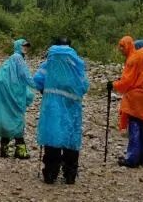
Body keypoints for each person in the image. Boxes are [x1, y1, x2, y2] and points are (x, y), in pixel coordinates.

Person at [33, 37, 89, 185]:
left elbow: (37, 79)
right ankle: (70, 174)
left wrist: (46, 91)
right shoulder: (76, 62)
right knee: (71, 137)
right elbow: (84, 86)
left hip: (52, 105)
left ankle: (50, 173)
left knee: (52, 136)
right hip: (72, 105)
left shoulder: (50, 61)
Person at [109, 36, 143, 168]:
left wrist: (114, 85)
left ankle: (132, 158)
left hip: (137, 96)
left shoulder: (134, 59)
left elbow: (127, 81)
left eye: (122, 47)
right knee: (142, 123)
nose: (121, 50)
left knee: (134, 124)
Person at [0, 38, 36, 159]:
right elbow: (25, 76)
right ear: (18, 46)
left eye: (27, 46)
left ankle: (4, 150)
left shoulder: (12, 58)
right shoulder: (18, 58)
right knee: (17, 118)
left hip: (7, 92)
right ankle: (20, 151)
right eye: (23, 46)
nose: (26, 48)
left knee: (7, 118)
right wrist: (39, 86)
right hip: (13, 93)